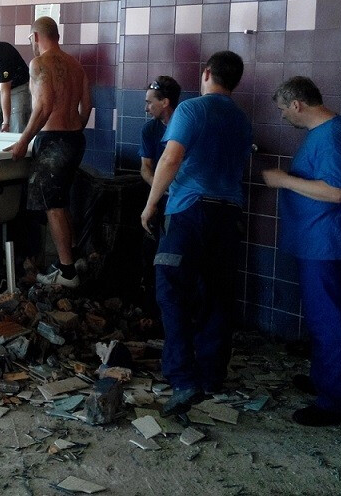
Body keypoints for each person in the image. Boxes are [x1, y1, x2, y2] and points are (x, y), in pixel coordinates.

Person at [140, 51, 252, 415]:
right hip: (229, 214)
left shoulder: (191, 109)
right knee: (216, 294)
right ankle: (211, 375)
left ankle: (183, 378)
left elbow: (171, 158)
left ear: (206, 74)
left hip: (190, 211)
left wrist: (151, 204)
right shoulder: (241, 118)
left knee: (171, 289)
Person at [261, 76, 341, 427]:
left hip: (325, 243)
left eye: (283, 110)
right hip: (316, 241)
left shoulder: (333, 136)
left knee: (327, 321)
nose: (282, 116)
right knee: (321, 318)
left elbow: (336, 192)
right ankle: (323, 379)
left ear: (297, 104)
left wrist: (283, 180)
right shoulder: (322, 133)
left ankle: (335, 403)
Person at [8, 16, 91, 289]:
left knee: (52, 205)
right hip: (75, 140)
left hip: (53, 141)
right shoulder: (76, 65)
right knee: (61, 201)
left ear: (35, 36)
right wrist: (73, 127)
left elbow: (44, 106)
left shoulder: (39, 63)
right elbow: (87, 106)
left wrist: (23, 141)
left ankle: (67, 273)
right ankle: (74, 259)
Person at [138, 75, 182, 320]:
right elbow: (145, 168)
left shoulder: (185, 125)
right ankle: (151, 312)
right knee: (151, 254)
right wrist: (160, 188)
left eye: (149, 102)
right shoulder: (150, 130)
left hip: (182, 201)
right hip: (161, 197)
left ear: (165, 102)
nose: (146, 108)